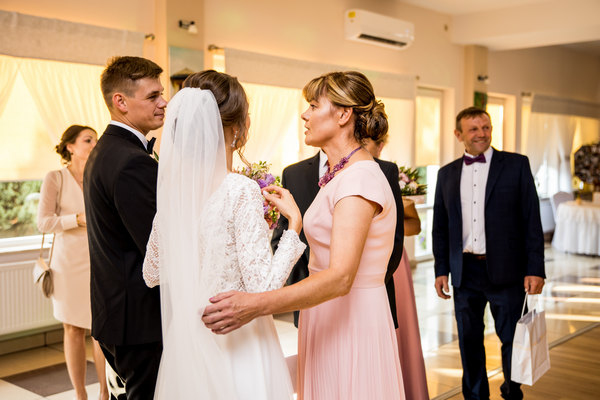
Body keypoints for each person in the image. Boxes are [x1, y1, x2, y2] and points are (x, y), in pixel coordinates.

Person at [204, 71, 405, 399]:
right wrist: (295, 219)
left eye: (313, 106)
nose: (304, 114)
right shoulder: (342, 174)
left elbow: (340, 277)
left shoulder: (359, 180)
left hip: (352, 319)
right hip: (326, 314)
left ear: (343, 114)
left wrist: (255, 304)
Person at [142, 70, 305, 399]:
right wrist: (294, 227)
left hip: (189, 337)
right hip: (238, 338)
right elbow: (264, 289)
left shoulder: (175, 195)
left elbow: (151, 273)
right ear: (237, 128)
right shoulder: (239, 189)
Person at [432, 106, 545, 400]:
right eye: (473, 129)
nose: (482, 134)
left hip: (507, 271)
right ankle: (475, 396)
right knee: (469, 341)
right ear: (459, 135)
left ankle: (512, 390)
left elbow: (532, 220)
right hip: (464, 272)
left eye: (486, 127)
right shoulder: (446, 174)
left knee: (512, 339)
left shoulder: (517, 165)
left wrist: (535, 268)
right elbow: (440, 228)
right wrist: (441, 270)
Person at [83, 56, 167, 400]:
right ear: (121, 101)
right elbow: (158, 248)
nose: (164, 103)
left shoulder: (106, 150)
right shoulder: (132, 161)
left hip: (116, 312)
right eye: (153, 96)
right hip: (139, 319)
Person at [271, 141, 404, 330]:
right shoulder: (293, 173)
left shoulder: (377, 171)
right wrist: (307, 294)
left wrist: (362, 292)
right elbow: (281, 237)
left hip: (361, 307)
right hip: (309, 305)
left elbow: (394, 241)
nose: (306, 122)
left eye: (314, 109)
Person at [38, 125, 108, 400]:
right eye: (88, 140)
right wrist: (76, 219)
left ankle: (104, 392)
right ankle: (80, 395)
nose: (94, 144)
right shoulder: (55, 178)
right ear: (70, 146)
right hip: (66, 264)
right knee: (73, 328)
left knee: (100, 330)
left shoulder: (99, 174)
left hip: (99, 260)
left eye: (96, 140)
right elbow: (44, 222)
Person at [364, 138, 430, 400]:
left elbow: (413, 226)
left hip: (391, 261)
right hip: (358, 264)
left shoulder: (389, 174)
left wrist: (386, 221)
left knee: (399, 327)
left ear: (381, 145)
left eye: (367, 141)